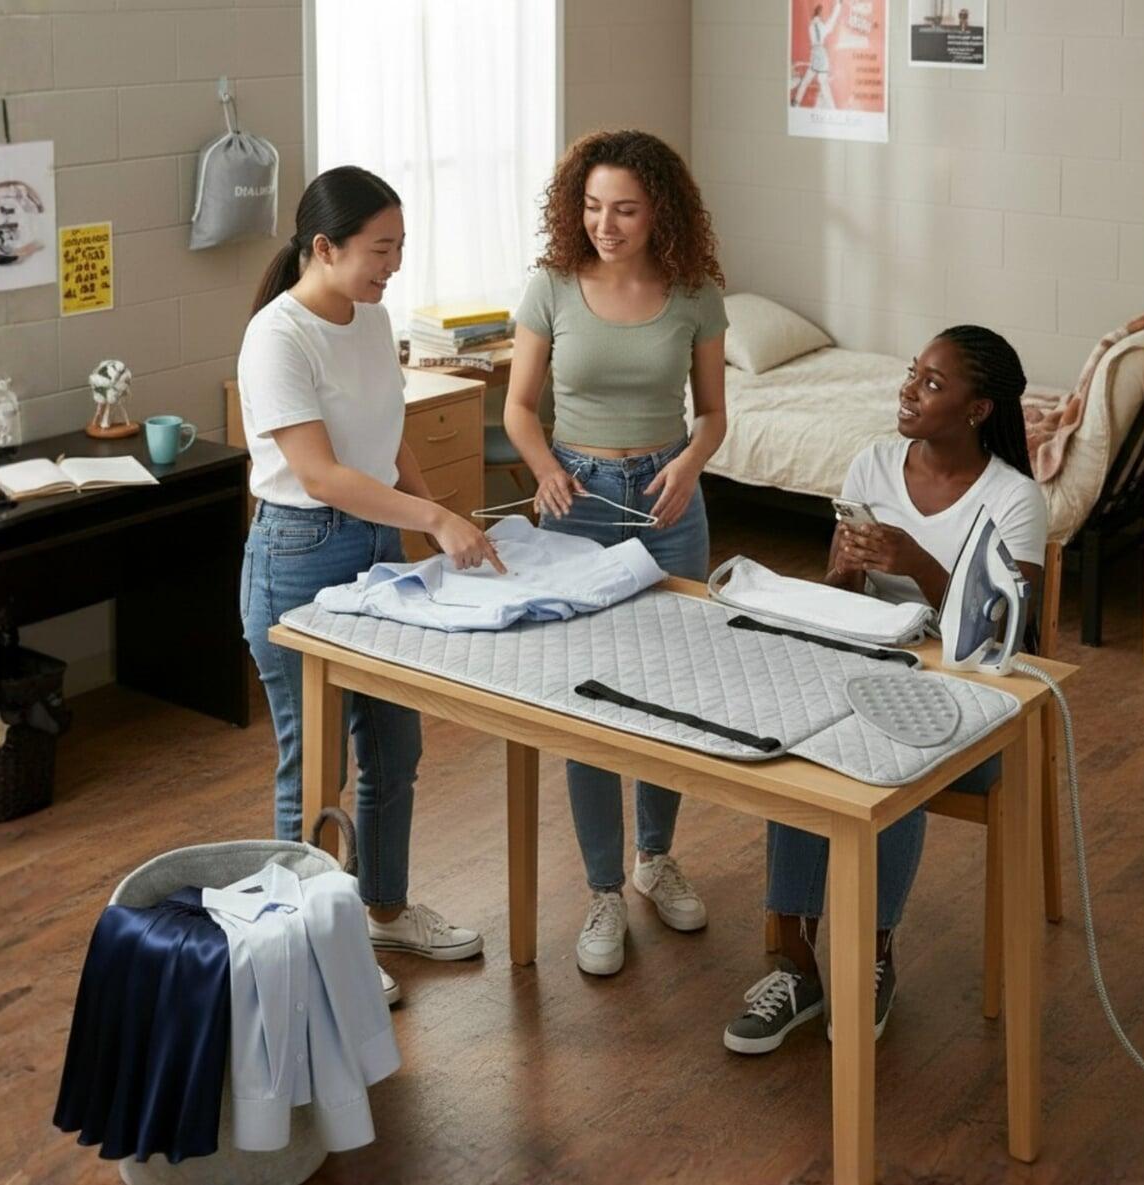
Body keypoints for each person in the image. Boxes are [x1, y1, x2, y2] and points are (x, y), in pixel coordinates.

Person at [723, 324, 1047, 1054]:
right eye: (910, 374)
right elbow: (843, 599)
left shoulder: (1015, 498)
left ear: (977, 410)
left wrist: (922, 564)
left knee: (891, 746)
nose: (909, 391)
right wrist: (845, 571)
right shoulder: (871, 464)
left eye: (933, 384)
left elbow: (1012, 634)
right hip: (871, 668)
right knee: (796, 736)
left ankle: (871, 955)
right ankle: (796, 962)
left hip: (978, 706)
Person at [238, 166, 501, 1001]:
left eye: (398, 248)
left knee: (394, 746)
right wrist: (429, 522)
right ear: (324, 247)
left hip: (378, 548)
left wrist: (443, 518)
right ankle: (307, 942)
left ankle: (382, 909)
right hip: (299, 553)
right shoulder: (277, 338)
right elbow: (317, 474)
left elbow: (389, 444)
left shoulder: (374, 317)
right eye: (379, 249)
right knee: (313, 763)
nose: (392, 266)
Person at [503, 129, 729, 977]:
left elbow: (712, 412)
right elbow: (520, 409)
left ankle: (655, 856)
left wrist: (690, 462)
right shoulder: (552, 285)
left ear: (659, 210)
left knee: (668, 691)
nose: (606, 223)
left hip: (670, 501)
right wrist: (546, 471)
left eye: (625, 209)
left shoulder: (696, 290)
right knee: (587, 699)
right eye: (594, 206)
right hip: (579, 501)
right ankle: (603, 888)